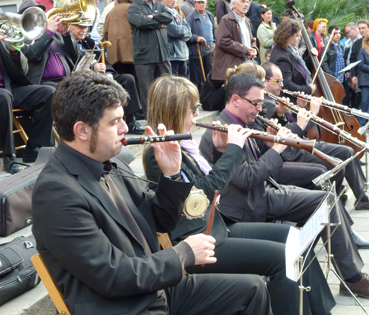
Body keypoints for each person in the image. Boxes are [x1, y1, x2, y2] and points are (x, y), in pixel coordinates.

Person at [32, 70, 272, 315]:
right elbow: (113, 276)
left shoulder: (112, 163)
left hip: (154, 290)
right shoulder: (56, 193)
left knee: (252, 289)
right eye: (115, 122)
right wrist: (184, 252)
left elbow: (161, 221)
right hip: (125, 307)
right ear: (82, 130)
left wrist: (171, 175)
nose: (126, 128)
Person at [144, 75, 335, 315]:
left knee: (294, 238)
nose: (196, 115)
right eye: (192, 109)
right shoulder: (159, 152)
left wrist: (223, 151)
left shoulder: (185, 146)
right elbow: (205, 194)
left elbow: (212, 186)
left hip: (216, 227)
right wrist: (234, 150)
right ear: (173, 110)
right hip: (198, 240)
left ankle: (319, 311)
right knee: (282, 258)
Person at [199, 72, 369, 299]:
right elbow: (247, 179)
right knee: (324, 199)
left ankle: (344, 270)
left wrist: (273, 139)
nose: (260, 109)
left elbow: (256, 160)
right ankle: (352, 278)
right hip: (248, 204)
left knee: (324, 196)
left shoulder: (239, 121)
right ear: (235, 100)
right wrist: (276, 149)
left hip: (262, 191)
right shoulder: (221, 130)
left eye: (261, 103)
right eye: (256, 103)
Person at [262, 61, 369, 217]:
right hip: (293, 151)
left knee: (347, 151)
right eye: (278, 81)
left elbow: (293, 127)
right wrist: (312, 113)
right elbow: (292, 133)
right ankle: (338, 202)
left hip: (298, 146)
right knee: (338, 160)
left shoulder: (274, 99)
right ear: (265, 81)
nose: (282, 85)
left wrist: (302, 109)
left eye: (282, 80)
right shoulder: (265, 104)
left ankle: (357, 196)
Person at [69, 17, 145, 135]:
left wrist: (109, 73)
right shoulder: (68, 42)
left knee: (127, 79)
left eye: (86, 27)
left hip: (100, 77)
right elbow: (73, 65)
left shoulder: (88, 41)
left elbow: (105, 60)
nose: (84, 30)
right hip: (83, 79)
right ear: (71, 27)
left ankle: (130, 121)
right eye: (81, 27)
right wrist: (92, 68)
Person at [0, 28, 54, 172]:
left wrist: (14, 50)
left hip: (8, 88)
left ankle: (34, 149)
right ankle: (9, 158)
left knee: (47, 92)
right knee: (4, 96)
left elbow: (23, 69)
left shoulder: (3, 40)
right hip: (3, 94)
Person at [127, 0, 173, 119]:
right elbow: (141, 22)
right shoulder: (134, 7)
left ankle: (169, 118)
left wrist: (154, 16)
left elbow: (169, 17)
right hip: (144, 56)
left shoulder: (160, 5)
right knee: (148, 92)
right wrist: (159, 23)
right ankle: (152, 123)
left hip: (162, 54)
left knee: (167, 88)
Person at [270, 19, 317, 103]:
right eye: (297, 36)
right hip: (290, 102)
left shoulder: (290, 50)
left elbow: (297, 68)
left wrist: (311, 57)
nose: (299, 39)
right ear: (288, 35)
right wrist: (308, 89)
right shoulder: (282, 57)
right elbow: (286, 85)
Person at [211, 0, 258, 81]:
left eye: (247, 2)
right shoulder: (226, 19)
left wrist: (254, 49)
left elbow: (251, 40)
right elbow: (223, 41)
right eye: (243, 1)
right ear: (234, 4)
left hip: (247, 65)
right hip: (233, 67)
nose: (246, 4)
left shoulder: (246, 20)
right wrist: (245, 50)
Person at [186, 0, 216, 92]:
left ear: (206, 4)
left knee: (211, 75)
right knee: (197, 77)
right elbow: (186, 34)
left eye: (202, 2)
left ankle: (210, 96)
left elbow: (214, 31)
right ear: (195, 4)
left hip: (211, 49)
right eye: (198, 2)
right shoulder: (190, 17)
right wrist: (196, 38)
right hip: (197, 50)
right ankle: (198, 97)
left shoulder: (210, 15)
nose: (201, 4)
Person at [164, 0, 191, 77]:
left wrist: (180, 32)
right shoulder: (163, 13)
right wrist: (183, 31)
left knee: (183, 83)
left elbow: (189, 32)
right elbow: (174, 31)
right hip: (172, 56)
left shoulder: (176, 13)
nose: (174, 0)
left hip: (183, 55)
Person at [343, 22, 362, 108]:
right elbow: (346, 57)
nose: (347, 35)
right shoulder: (347, 42)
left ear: (354, 29)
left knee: (359, 95)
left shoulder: (361, 40)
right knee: (352, 94)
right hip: (349, 71)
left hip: (358, 71)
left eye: (348, 32)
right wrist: (347, 71)